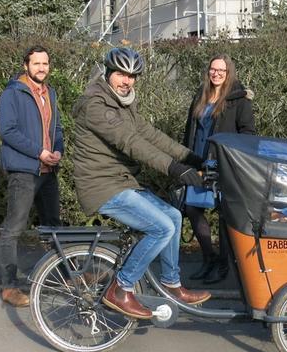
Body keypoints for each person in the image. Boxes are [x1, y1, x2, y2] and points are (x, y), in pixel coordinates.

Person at [72, 47, 210, 319]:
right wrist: (175, 169)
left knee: (173, 215)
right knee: (161, 228)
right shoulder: (97, 105)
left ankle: (171, 283)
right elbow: (132, 143)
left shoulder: (123, 103)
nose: (127, 81)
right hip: (102, 186)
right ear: (109, 73)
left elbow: (150, 134)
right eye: (122, 75)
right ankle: (120, 288)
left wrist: (192, 158)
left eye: (133, 76)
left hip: (121, 181)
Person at [0, 45, 63, 307]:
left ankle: (64, 277)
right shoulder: (13, 93)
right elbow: (7, 131)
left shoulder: (51, 93)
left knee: (54, 227)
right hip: (24, 170)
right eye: (36, 64)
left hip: (48, 170)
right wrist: (39, 152)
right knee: (14, 229)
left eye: (45, 63)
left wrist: (57, 149)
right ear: (26, 66)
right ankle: (9, 287)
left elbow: (56, 128)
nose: (41, 68)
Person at [181, 54, 255, 284]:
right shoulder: (200, 95)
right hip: (199, 162)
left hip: (224, 164)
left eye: (221, 71)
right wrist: (185, 159)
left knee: (224, 215)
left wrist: (232, 156)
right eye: (213, 69)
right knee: (193, 210)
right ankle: (209, 258)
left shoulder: (239, 99)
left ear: (229, 73)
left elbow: (248, 133)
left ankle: (224, 265)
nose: (216, 74)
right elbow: (189, 130)